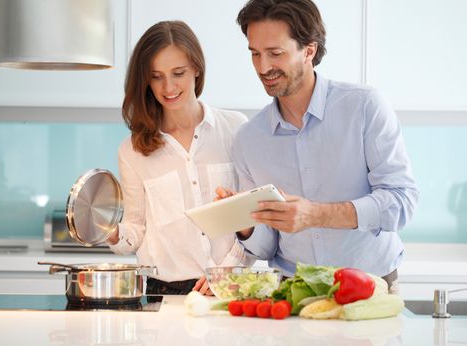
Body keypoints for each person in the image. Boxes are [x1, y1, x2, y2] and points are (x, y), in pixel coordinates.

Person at [217, 0, 418, 293]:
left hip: (370, 287)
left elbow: (402, 202)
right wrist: (245, 223)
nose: (263, 67)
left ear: (308, 50)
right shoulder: (249, 139)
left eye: (275, 53)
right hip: (294, 291)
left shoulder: (364, 107)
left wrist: (316, 214)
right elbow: (266, 245)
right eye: (255, 54)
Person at [106, 20, 253, 295]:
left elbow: (253, 217)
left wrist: (229, 268)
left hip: (233, 285)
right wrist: (110, 231)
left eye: (178, 73)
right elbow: (136, 229)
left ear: (197, 68)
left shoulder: (235, 128)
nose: (168, 87)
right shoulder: (132, 150)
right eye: (156, 76)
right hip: (164, 292)